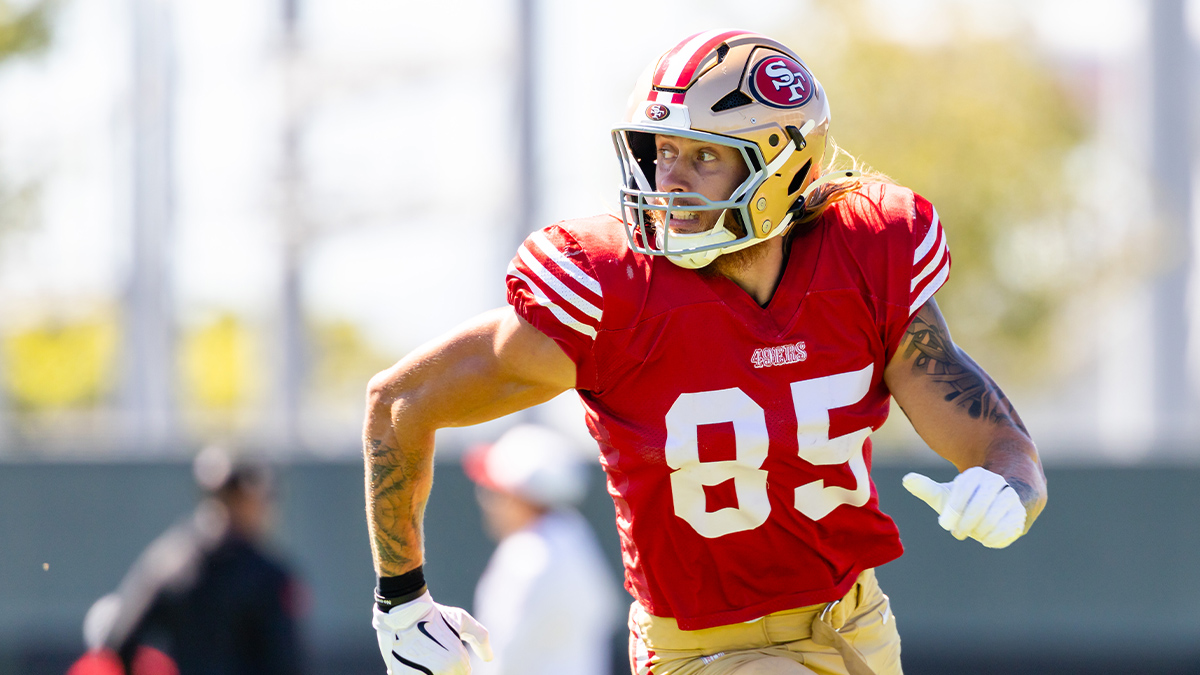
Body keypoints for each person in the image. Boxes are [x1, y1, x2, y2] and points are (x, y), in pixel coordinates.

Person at [364, 30, 1047, 675]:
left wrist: (1009, 488)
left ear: (785, 167)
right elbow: (399, 402)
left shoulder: (866, 257)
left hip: (858, 626)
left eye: (704, 157)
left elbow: (996, 440)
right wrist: (401, 603)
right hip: (704, 652)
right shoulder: (614, 293)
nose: (670, 181)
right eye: (662, 151)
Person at [81, 446, 308, 675]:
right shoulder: (265, 575)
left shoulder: (170, 560)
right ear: (243, 501)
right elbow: (287, 663)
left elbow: (118, 641)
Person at [463, 424, 620, 675]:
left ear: (518, 497)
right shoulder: (573, 532)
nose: (485, 499)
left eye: (494, 489)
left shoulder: (525, 557)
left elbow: (498, 661)